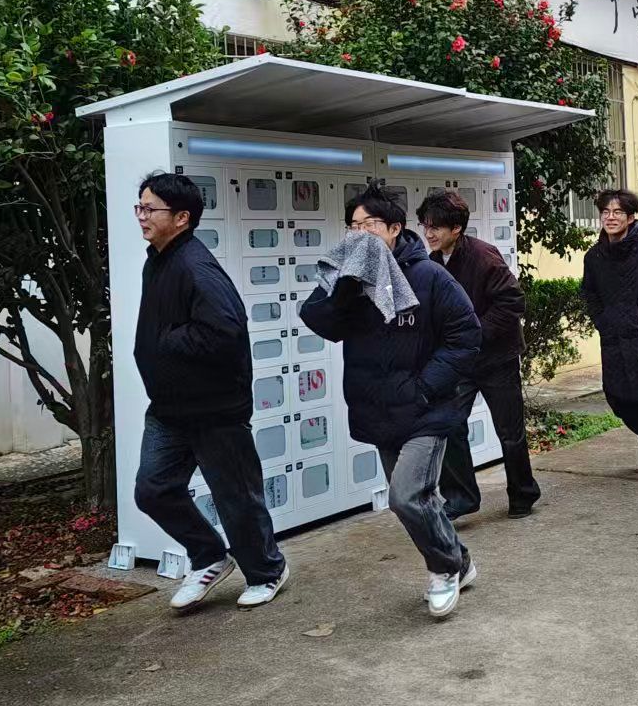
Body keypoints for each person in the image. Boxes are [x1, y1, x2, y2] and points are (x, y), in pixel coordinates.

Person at [300, 185, 481, 620]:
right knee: (421, 499)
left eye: (369, 225)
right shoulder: (352, 279)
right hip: (379, 410)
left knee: (405, 496)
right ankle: (460, 560)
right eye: (353, 226)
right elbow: (317, 319)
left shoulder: (429, 276)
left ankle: (443, 569)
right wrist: (343, 286)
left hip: (427, 410)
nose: (359, 234)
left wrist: (425, 388)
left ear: (395, 229)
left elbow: (466, 336)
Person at [131, 172, 291, 611]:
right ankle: (209, 556)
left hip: (214, 409)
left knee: (236, 497)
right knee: (153, 489)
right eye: (139, 207)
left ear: (181, 218)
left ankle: (267, 570)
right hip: (169, 408)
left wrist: (166, 340)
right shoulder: (157, 259)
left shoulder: (195, 266)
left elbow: (226, 329)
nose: (142, 216)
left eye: (150, 209)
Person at [417, 190, 540, 520]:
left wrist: (473, 334)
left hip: (497, 357)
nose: (429, 233)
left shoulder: (484, 256)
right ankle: (462, 497)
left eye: (435, 227)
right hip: (461, 361)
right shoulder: (431, 262)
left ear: (456, 228)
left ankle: (523, 493)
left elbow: (512, 302)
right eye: (425, 225)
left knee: (509, 432)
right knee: (449, 423)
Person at [581, 189, 638, 483]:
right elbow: (590, 294)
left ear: (631, 217)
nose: (610, 217)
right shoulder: (594, 256)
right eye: (606, 212)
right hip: (613, 337)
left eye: (618, 212)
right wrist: (602, 320)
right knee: (618, 398)